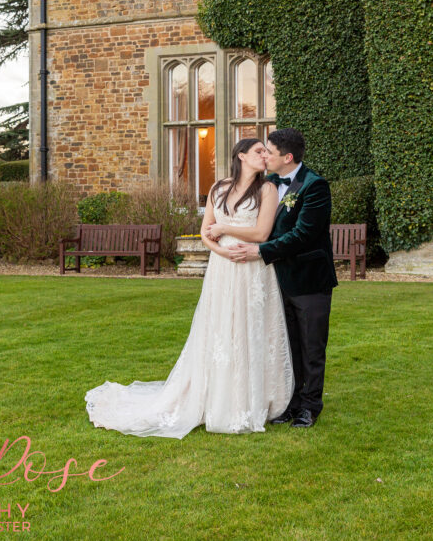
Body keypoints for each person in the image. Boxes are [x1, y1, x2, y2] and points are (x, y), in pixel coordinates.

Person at [84, 138, 294, 438]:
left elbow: (261, 232)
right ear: (241, 156)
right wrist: (219, 250)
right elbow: (204, 231)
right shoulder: (218, 188)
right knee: (220, 328)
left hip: (253, 268)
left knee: (251, 328)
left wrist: (225, 229)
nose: (265, 155)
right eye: (259, 151)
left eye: (266, 151)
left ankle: (251, 397)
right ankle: (215, 395)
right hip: (223, 268)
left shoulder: (267, 189)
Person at [228, 128, 337, 428]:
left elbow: (302, 235)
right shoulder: (270, 183)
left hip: (310, 280)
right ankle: (291, 402)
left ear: (287, 157)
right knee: (289, 347)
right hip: (277, 281)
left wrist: (260, 251)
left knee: (311, 347)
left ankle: (311, 407)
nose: (265, 157)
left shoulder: (315, 186)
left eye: (269, 153)